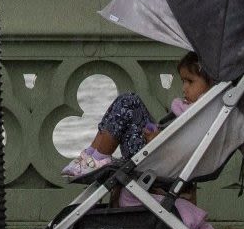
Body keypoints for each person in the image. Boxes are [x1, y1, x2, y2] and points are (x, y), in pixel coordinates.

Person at [62, 51, 211, 179]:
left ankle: (99, 158)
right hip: (153, 152)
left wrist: (158, 139)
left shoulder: (202, 115)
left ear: (211, 84)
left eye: (190, 82)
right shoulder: (195, 110)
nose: (184, 88)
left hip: (156, 161)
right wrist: (157, 133)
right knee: (125, 101)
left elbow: (183, 150)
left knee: (129, 102)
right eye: (183, 81)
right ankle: (92, 155)